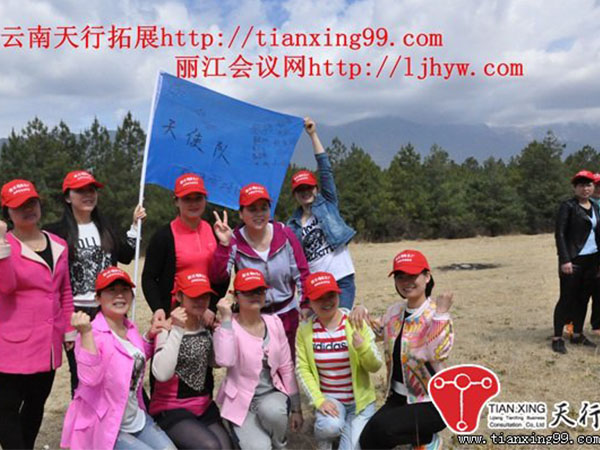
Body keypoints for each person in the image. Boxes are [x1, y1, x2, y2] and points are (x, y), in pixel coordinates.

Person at [45, 169, 146, 395]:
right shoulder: (55, 233)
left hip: (108, 310)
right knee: (83, 373)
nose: (88, 195)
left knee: (116, 365)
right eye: (80, 191)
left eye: (91, 190)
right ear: (67, 197)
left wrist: (135, 226)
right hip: (77, 314)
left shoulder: (106, 226)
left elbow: (126, 255)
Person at [60, 266, 176, 450]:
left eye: (124, 290)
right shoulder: (91, 333)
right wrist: (86, 333)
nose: (120, 295)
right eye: (112, 290)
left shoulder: (129, 328)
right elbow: (90, 378)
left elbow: (129, 362)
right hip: (106, 425)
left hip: (135, 418)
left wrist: (148, 337)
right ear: (98, 298)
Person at [350, 250, 454, 450]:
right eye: (400, 277)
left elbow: (437, 353)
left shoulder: (436, 314)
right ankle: (417, 437)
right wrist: (360, 310)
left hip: (433, 401)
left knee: (383, 428)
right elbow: (374, 331)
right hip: (399, 397)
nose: (406, 282)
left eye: (412, 275)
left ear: (427, 276)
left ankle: (426, 439)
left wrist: (441, 314)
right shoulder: (394, 312)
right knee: (367, 441)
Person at [0, 179, 76, 450]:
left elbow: (64, 291)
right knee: (6, 410)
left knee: (35, 406)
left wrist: (68, 329)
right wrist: (1, 246)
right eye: (19, 206)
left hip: (48, 345)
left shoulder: (58, 244)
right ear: (7, 213)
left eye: (32, 203)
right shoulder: (4, 245)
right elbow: (6, 287)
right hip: (11, 345)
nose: (28, 209)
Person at [211, 182, 310, 357]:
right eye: (252, 209)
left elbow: (302, 273)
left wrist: (305, 304)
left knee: (289, 366)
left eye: (264, 208)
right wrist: (224, 245)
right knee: (257, 369)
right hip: (253, 319)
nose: (259, 214)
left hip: (287, 315)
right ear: (241, 213)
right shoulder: (234, 240)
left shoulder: (284, 234)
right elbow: (219, 277)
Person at [213, 268, 303, 450]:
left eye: (259, 291)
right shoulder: (227, 327)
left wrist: (296, 408)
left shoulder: (274, 322)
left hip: (272, 396)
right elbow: (224, 360)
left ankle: (279, 444)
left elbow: (286, 367)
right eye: (248, 292)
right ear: (236, 296)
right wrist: (226, 319)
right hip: (241, 404)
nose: (255, 296)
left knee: (273, 411)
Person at [296, 272, 382, 450]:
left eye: (331, 295)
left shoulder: (355, 322)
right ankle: (326, 437)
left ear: (338, 295)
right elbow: (303, 369)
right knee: (329, 427)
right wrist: (319, 400)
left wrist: (363, 348)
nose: (327, 302)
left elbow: (375, 366)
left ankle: (346, 430)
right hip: (331, 399)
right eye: (319, 298)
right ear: (309, 302)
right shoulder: (305, 330)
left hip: (360, 404)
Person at [150, 269, 232, 450]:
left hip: (203, 406)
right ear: (179, 296)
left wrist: (224, 325)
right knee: (210, 447)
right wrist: (178, 329)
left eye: (205, 296)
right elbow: (162, 374)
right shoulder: (166, 328)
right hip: (171, 409)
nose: (200, 301)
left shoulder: (204, 326)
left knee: (227, 447)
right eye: (194, 296)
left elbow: (216, 362)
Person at [287, 118, 357, 309]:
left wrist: (313, 134)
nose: (305, 192)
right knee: (319, 329)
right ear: (294, 195)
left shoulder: (328, 203)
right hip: (315, 286)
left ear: (316, 189)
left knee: (341, 323)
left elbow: (325, 169)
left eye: (309, 188)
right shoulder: (291, 226)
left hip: (341, 280)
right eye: (300, 190)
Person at [142, 173, 224, 322]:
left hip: (205, 314)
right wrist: (158, 308)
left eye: (198, 198)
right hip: (175, 315)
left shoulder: (215, 232)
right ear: (176, 202)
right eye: (187, 199)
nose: (193, 204)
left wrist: (212, 308)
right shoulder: (163, 236)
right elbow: (149, 278)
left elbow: (222, 276)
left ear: (205, 200)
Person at [552, 170, 600, 353]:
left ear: (593, 187)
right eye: (581, 185)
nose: (585, 189)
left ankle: (577, 334)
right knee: (566, 299)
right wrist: (565, 260)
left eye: (588, 185)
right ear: (574, 188)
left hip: (592, 260)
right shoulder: (568, 206)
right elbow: (560, 234)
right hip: (573, 259)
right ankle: (557, 338)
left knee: (583, 299)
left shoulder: (594, 207)